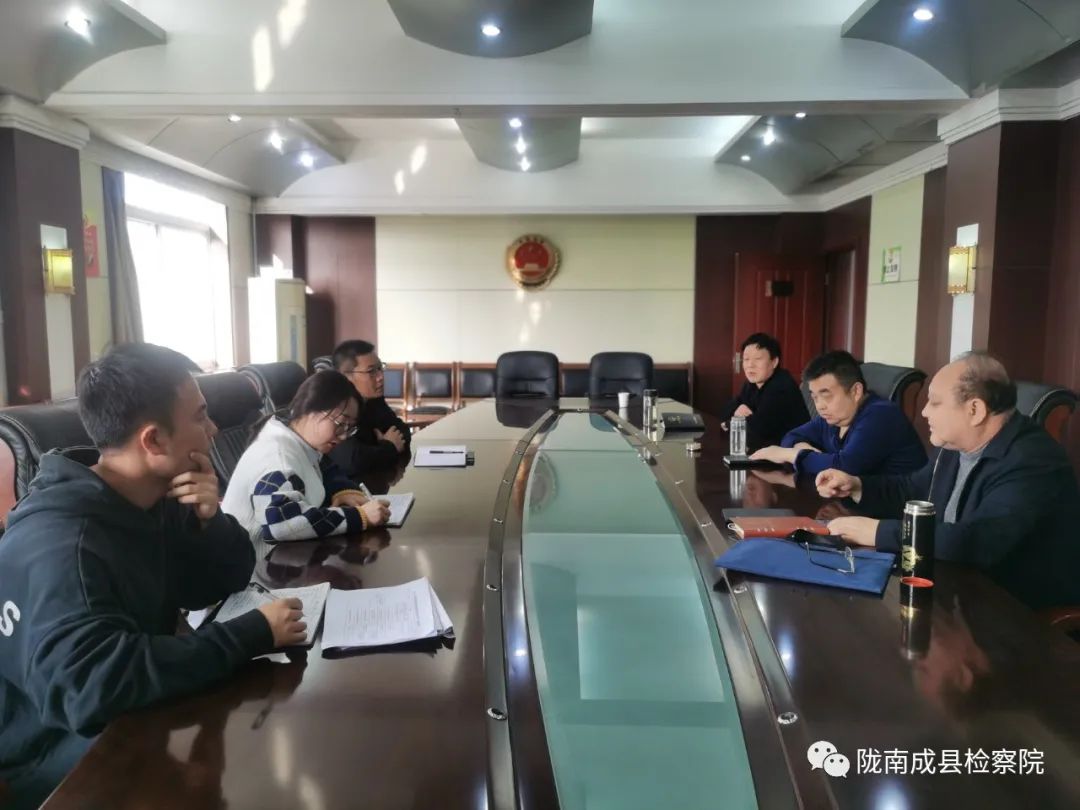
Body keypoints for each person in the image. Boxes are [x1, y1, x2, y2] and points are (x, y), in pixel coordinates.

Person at [0, 344, 305, 809]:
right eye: (200, 416)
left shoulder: (149, 497)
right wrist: (250, 634)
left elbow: (219, 582)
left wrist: (210, 520)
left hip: (127, 722)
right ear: (153, 441)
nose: (214, 429)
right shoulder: (67, 544)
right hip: (60, 767)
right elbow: (95, 686)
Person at [819, 352, 1080, 610]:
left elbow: (977, 541)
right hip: (955, 585)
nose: (924, 412)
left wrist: (878, 532)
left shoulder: (1032, 460)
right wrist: (857, 486)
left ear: (975, 410)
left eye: (935, 403)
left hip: (1013, 607)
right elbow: (913, 490)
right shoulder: (956, 444)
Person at [223, 369, 390, 554]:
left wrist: (342, 492)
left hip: (289, 556)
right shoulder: (277, 457)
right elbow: (281, 522)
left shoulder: (297, 438)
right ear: (311, 410)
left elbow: (326, 469)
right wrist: (360, 516)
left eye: (349, 428)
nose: (344, 436)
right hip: (258, 566)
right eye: (341, 423)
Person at [751, 350, 926, 477]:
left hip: (898, 512)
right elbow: (792, 436)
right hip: (853, 505)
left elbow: (844, 467)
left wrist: (790, 455)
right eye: (815, 397)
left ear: (856, 391)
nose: (820, 406)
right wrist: (802, 449)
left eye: (826, 396)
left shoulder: (881, 415)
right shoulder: (834, 418)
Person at [328, 340, 411, 480]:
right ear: (346, 377)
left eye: (380, 368)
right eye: (371, 371)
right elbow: (352, 461)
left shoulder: (374, 400)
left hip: (375, 479)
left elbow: (402, 430)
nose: (380, 377)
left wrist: (378, 449)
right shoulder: (337, 408)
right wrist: (388, 446)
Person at [719, 332, 808, 449]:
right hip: (767, 448)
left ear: (774, 362)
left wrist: (729, 423)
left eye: (758, 359)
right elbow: (726, 410)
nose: (750, 365)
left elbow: (757, 431)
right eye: (746, 359)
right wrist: (737, 412)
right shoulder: (752, 383)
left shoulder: (781, 387)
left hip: (792, 452)